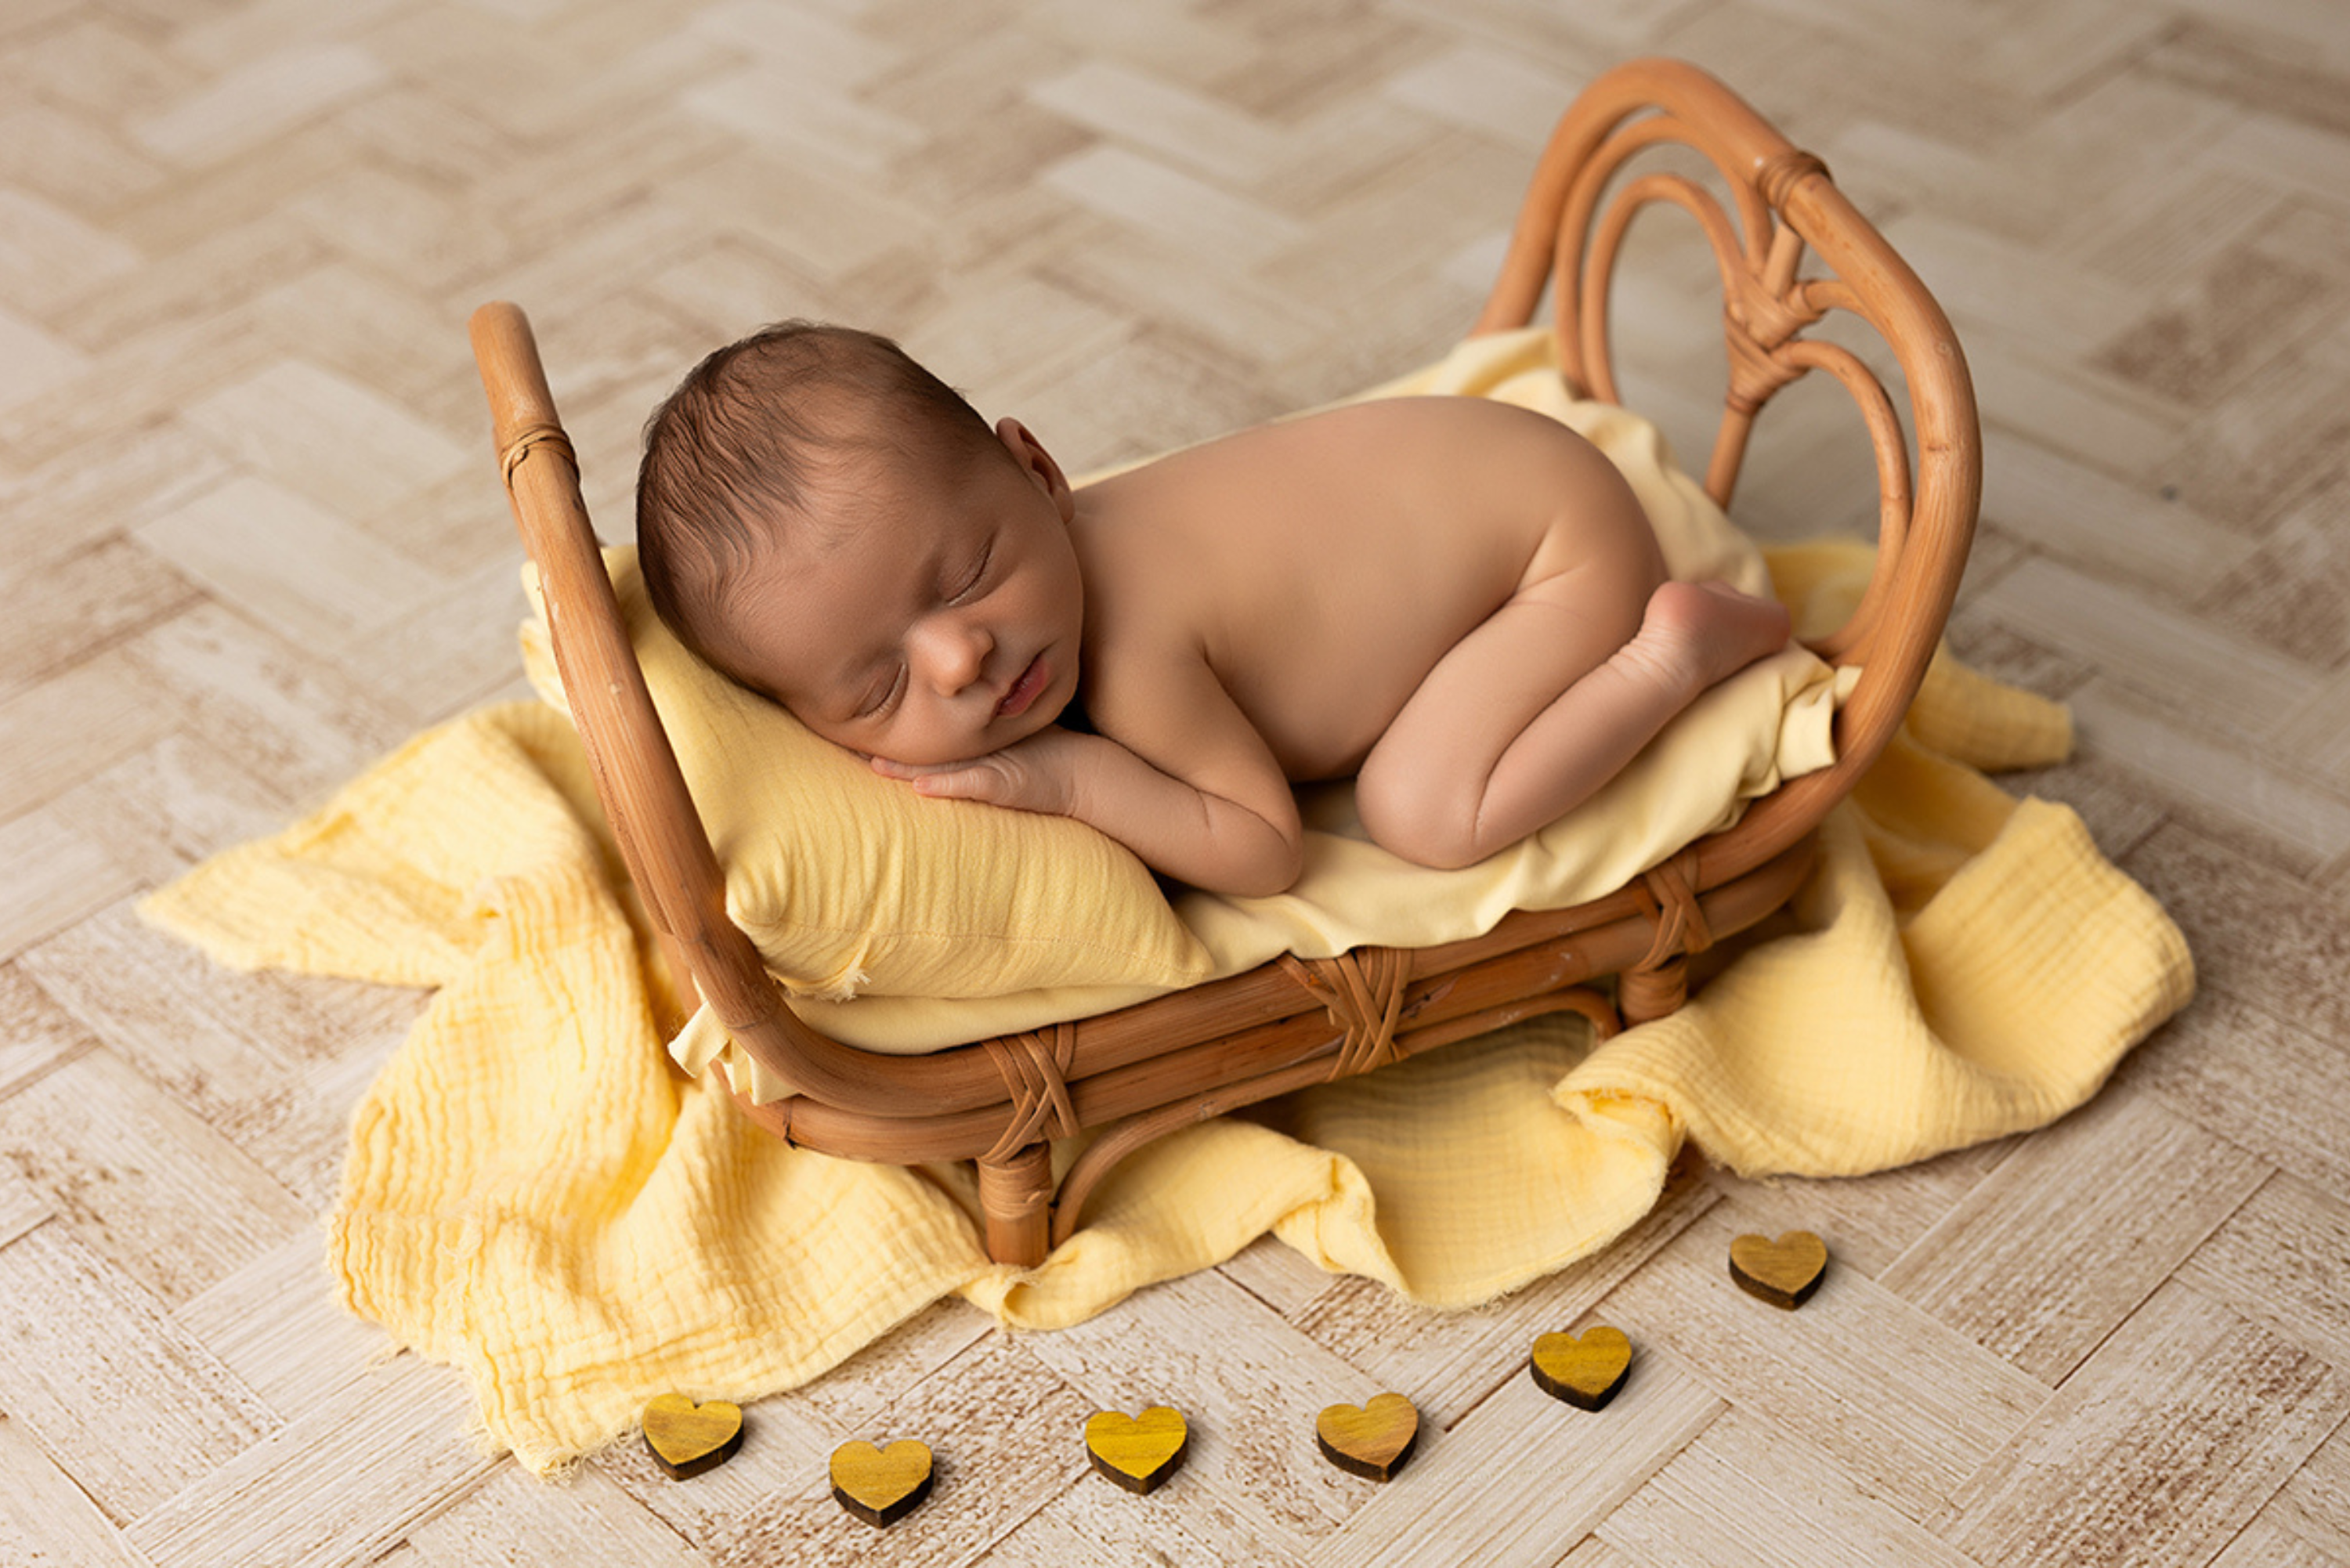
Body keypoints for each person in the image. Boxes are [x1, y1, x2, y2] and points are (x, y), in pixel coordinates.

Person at [634, 322, 1790, 898]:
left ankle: (1677, 652)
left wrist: (1066, 780)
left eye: (969, 572)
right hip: (1493, 460)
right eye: (878, 688)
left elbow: (1264, 848)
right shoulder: (1041, 559)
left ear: (1039, 471)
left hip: (1556, 546)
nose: (960, 658)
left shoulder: (1136, 651)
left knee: (1422, 808)